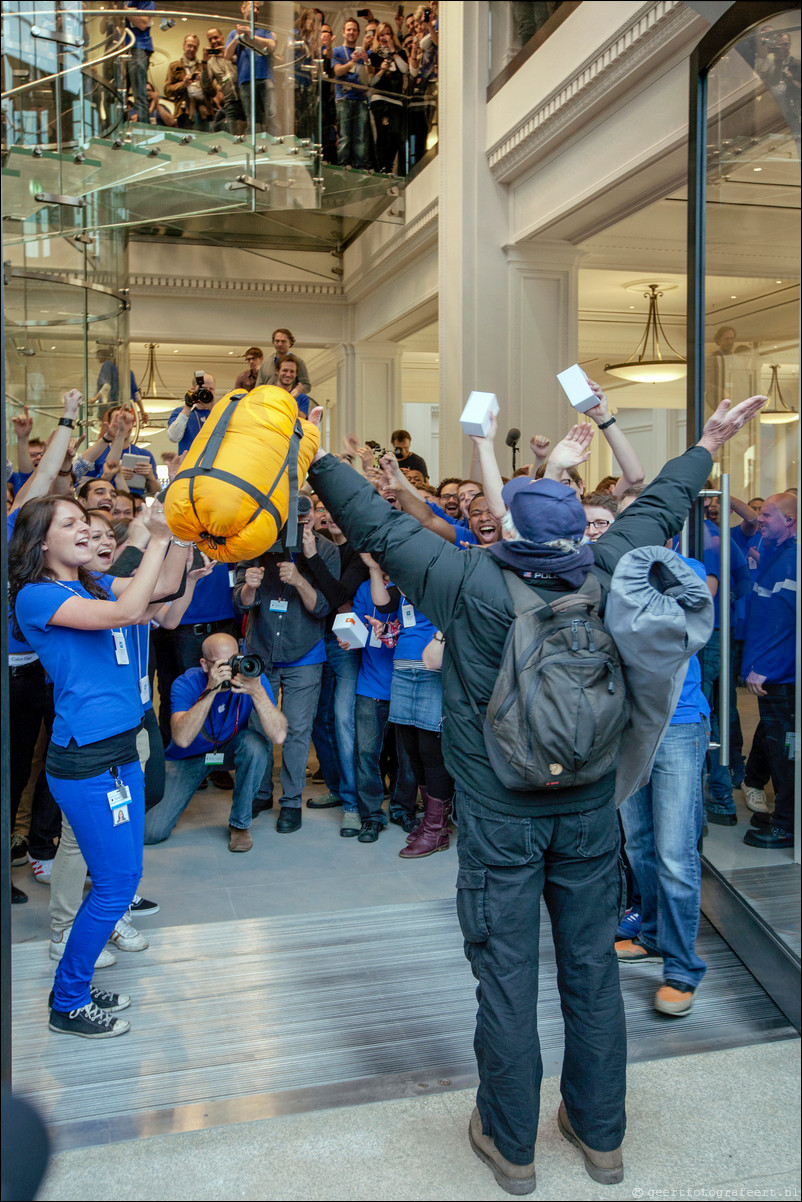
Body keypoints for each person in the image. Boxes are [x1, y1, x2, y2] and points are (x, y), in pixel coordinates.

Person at [305, 391, 766, 1193]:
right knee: (590, 972)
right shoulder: (608, 565)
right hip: (589, 813)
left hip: (499, 820)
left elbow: (376, 526)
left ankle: (512, 1147)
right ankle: (601, 1139)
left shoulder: (465, 580)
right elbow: (658, 506)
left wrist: (313, 453)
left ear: (509, 525)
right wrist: (706, 442)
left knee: (507, 976)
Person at [9, 492, 174, 1039]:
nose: (85, 530)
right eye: (72, 524)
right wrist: (158, 535)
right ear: (41, 541)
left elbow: (156, 600)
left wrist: (176, 538)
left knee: (122, 879)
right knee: (113, 885)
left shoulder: (84, 588)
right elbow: (129, 612)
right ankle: (68, 1000)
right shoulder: (35, 596)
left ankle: (72, 981)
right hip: (88, 760)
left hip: (120, 752)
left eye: (86, 521)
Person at [144, 632, 286, 850]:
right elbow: (182, 739)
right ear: (204, 664)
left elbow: (278, 736)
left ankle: (240, 825)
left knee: (255, 745)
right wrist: (210, 691)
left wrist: (257, 692)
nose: (230, 669)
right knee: (152, 832)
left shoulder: (252, 678)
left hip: (228, 748)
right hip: (188, 756)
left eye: (234, 660)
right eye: (221, 664)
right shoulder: (186, 683)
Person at [740, 493, 797, 850]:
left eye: (767, 515)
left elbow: (794, 626)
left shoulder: (794, 562)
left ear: (789, 521)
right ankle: (782, 813)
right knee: (773, 744)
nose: (760, 519)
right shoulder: (774, 550)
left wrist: (768, 668)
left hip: (780, 679)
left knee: (786, 753)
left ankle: (787, 826)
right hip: (769, 679)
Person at [224, 1, 277, 134]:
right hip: (246, 80)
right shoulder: (233, 33)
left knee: (272, 113)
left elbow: (271, 46)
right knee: (251, 116)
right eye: (253, 7)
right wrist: (237, 38)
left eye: (258, 9)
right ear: (243, 9)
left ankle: (275, 142)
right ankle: (255, 145)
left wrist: (251, 35)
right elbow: (227, 55)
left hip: (265, 76)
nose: (256, 11)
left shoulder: (264, 30)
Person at [332, 19, 370, 168]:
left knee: (360, 138)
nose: (351, 32)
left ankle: (360, 167)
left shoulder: (362, 53)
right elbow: (337, 71)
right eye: (348, 30)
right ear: (343, 32)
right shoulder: (337, 51)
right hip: (344, 98)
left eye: (354, 30)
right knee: (345, 137)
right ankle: (343, 166)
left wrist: (365, 61)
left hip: (360, 99)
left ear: (358, 33)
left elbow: (367, 80)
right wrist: (352, 62)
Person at [164, 33, 215, 130]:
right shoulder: (174, 67)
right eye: (189, 45)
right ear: (184, 45)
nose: (192, 49)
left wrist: (203, 80)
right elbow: (167, 91)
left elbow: (213, 91)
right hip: (184, 111)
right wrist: (184, 84)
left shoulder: (203, 67)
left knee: (205, 140)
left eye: (195, 47)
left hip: (204, 111)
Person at [166, 373, 216, 456]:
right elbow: (173, 437)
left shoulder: (222, 413)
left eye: (211, 389)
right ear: (193, 390)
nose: (207, 392)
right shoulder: (180, 412)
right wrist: (187, 407)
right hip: (189, 465)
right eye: (203, 388)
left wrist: (214, 408)